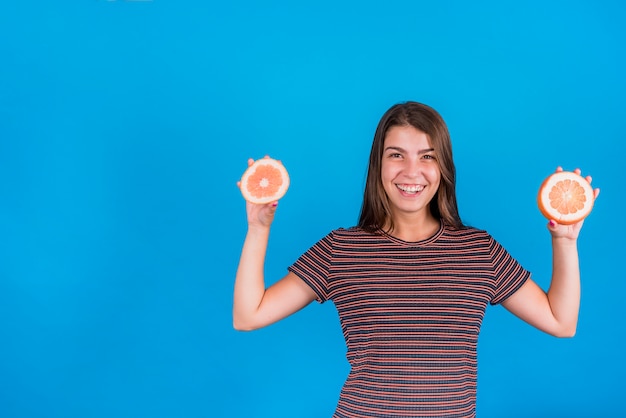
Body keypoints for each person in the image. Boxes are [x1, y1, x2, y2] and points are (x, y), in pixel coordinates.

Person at [233, 101, 599, 417]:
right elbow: (249, 315)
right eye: (396, 155)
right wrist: (258, 227)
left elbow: (560, 321)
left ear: (443, 169)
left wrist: (564, 240)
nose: (412, 171)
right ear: (378, 164)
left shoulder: (479, 250)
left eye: (427, 156)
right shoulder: (340, 249)